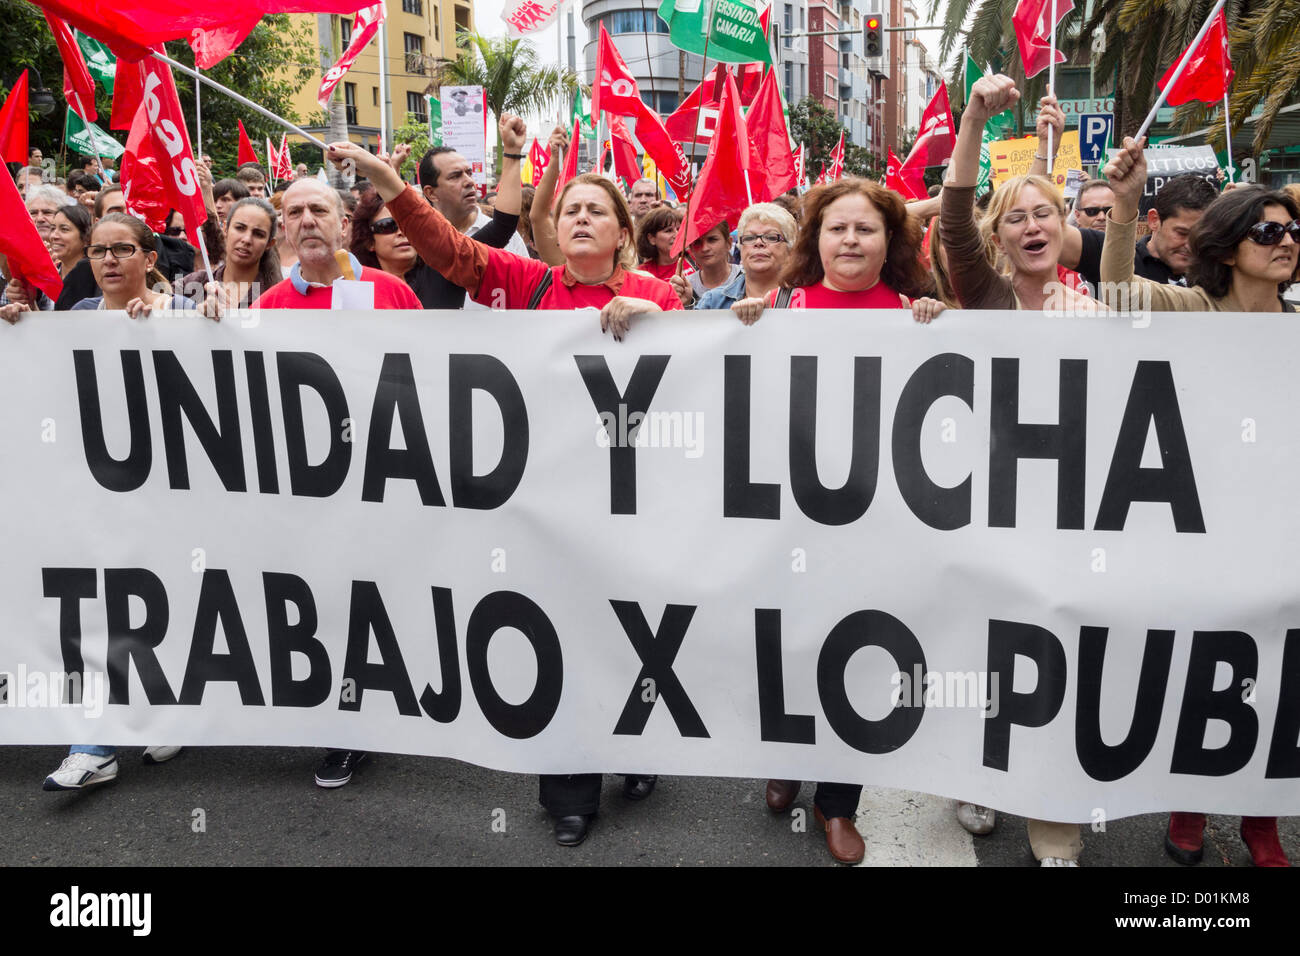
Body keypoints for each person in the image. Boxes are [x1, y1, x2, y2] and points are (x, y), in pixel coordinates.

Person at [1103, 139, 1296, 867]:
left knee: (1282, 677)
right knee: (1207, 667)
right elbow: (1118, 293)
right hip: (1202, 527)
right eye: (1269, 231)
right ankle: (1189, 808)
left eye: (1294, 233)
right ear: (1230, 245)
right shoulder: (1187, 307)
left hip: (1283, 528)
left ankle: (1264, 818)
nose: (1286, 244)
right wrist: (1126, 207)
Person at [945, 74, 1109, 866]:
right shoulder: (984, 301)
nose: (1034, 224)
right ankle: (977, 774)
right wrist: (976, 116)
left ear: (1066, 229)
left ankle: (1055, 826)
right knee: (985, 652)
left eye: (1046, 212)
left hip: (1073, 519)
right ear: (999, 238)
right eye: (1018, 217)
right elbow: (951, 211)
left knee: (1059, 661)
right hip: (988, 513)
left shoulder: (1104, 307)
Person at [250, 178, 421, 312]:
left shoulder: (396, 293)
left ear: (344, 226)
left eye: (319, 210)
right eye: (295, 212)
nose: (307, 221)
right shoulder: (266, 308)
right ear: (285, 230)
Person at [416, 145, 530, 262]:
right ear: (431, 193)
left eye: (469, 173)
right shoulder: (419, 242)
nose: (469, 182)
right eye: (455, 176)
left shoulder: (508, 237)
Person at [178, 197, 281, 309]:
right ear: (225, 229)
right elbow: (159, 302)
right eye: (240, 228)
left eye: (258, 234)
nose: (246, 239)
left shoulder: (279, 296)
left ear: (270, 243)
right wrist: (194, 311)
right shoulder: (192, 284)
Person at [695, 203, 796, 313]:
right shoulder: (713, 302)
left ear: (790, 248)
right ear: (740, 247)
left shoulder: (808, 298)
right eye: (749, 238)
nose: (758, 242)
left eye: (771, 237)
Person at [674, 221, 742, 306]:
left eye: (712, 240)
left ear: (728, 243)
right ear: (691, 249)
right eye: (697, 242)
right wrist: (684, 304)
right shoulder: (684, 287)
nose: (705, 248)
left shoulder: (747, 278)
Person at [50, 205, 99, 311]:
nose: (54, 235)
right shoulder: (50, 274)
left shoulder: (96, 274)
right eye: (53, 228)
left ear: (86, 237)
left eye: (64, 229)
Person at [634, 205, 682, 281]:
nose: (677, 235)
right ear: (651, 238)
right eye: (669, 230)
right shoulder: (641, 273)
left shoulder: (696, 260)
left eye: (678, 229)